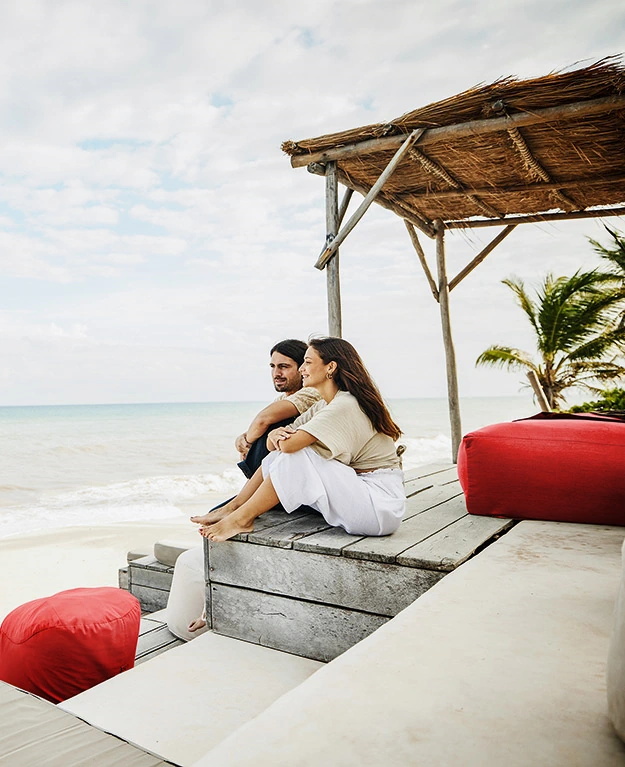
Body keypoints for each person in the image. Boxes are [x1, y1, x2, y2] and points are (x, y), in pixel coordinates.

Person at [195, 337, 405, 543]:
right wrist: (273, 435)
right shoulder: (324, 405)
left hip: (379, 506)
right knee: (280, 454)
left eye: (308, 362)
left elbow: (290, 445)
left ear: (330, 367)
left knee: (295, 454)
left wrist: (277, 436)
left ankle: (241, 518)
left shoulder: (346, 404)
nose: (302, 369)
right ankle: (235, 507)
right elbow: (273, 446)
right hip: (359, 496)